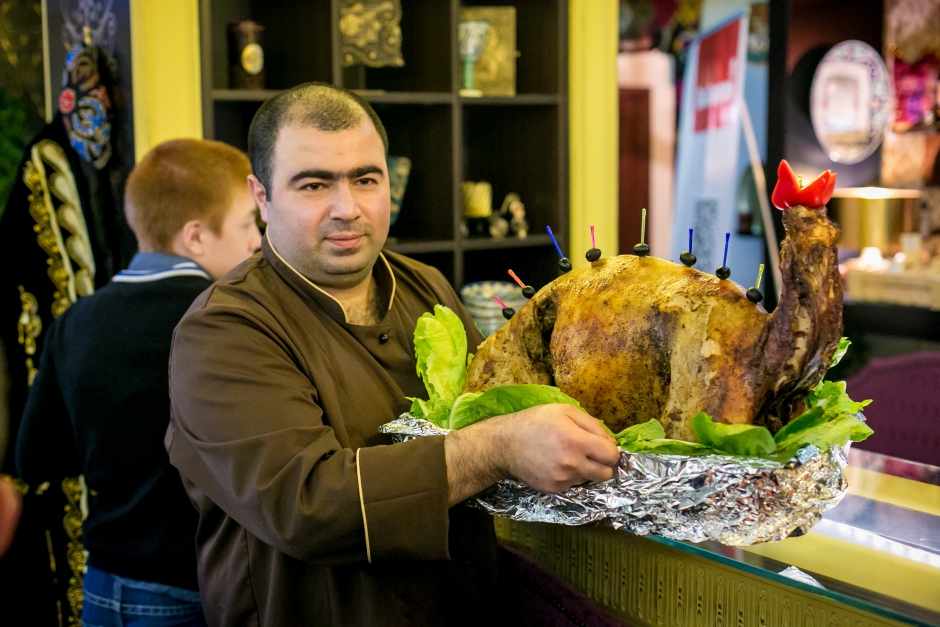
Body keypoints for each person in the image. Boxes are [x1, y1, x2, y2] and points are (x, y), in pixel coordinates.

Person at [166, 83, 621, 626]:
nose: (347, 209)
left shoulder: (423, 286)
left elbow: (490, 407)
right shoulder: (223, 330)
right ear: (261, 196)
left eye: (366, 179)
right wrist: (496, 447)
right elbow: (307, 505)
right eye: (313, 184)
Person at [16, 139, 261, 627]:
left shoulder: (76, 321)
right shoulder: (224, 321)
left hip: (101, 583)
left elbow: (36, 456)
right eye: (248, 223)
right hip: (191, 586)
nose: (258, 239)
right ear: (195, 237)